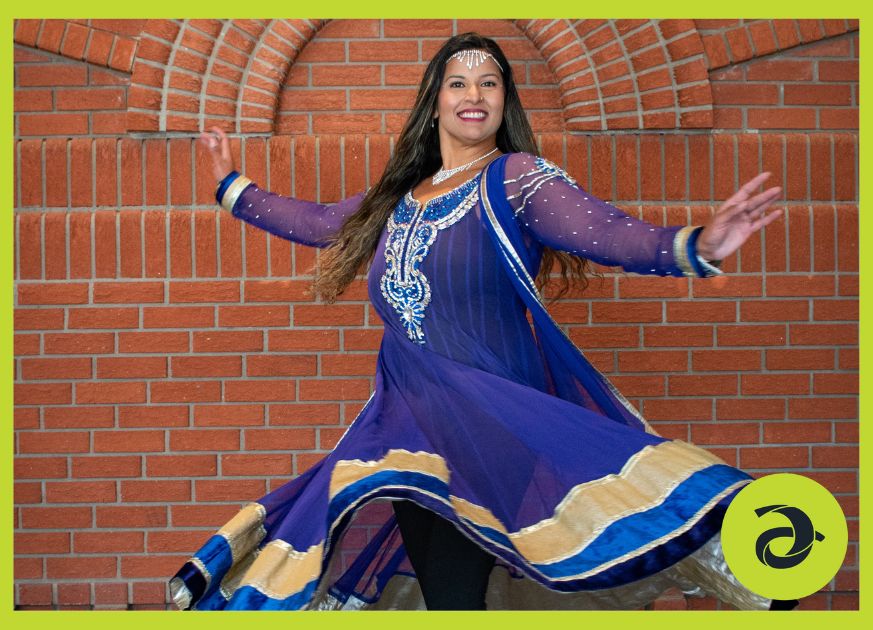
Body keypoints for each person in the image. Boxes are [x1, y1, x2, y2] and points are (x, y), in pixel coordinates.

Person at [169, 32, 787, 611]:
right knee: (445, 593)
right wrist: (232, 187)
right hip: (408, 425)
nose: (474, 95)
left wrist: (697, 245)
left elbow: (601, 231)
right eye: (458, 83)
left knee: (458, 592)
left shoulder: (516, 179)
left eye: (489, 83)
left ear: (504, 101)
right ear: (434, 102)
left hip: (492, 421)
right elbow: (321, 222)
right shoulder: (400, 197)